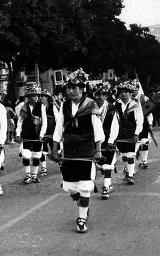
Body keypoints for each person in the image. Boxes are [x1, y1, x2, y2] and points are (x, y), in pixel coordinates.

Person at [51, 69, 104, 233]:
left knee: (86, 185)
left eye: (75, 88)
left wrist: (98, 150)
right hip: (68, 149)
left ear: (82, 89)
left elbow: (98, 130)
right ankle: (81, 202)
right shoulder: (65, 105)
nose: (71, 91)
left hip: (86, 148)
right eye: (69, 88)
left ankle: (81, 219)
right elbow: (59, 128)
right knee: (70, 186)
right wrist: (54, 149)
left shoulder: (91, 104)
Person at [16, 83, 47, 184]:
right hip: (26, 134)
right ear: (29, 97)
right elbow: (20, 121)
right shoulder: (24, 107)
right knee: (26, 155)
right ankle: (27, 175)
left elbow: (44, 122)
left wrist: (42, 134)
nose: (36, 98)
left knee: (37, 155)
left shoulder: (41, 106)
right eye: (34, 96)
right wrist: (17, 133)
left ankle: (34, 175)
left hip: (37, 135)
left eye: (37, 96)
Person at [92, 83, 119, 199]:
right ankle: (108, 183)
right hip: (95, 141)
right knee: (100, 166)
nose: (98, 97)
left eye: (101, 95)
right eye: (96, 94)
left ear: (106, 96)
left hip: (108, 140)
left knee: (107, 165)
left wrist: (111, 141)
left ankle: (106, 187)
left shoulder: (112, 109)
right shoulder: (91, 109)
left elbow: (115, 125)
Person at [115, 80, 143, 185]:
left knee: (131, 154)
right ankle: (127, 171)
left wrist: (136, 133)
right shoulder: (116, 104)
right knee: (124, 155)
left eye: (125, 92)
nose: (123, 94)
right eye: (121, 92)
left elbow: (139, 120)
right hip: (120, 133)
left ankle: (130, 175)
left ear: (130, 93)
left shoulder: (135, 104)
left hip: (131, 132)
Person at [39, 89, 59, 177]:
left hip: (52, 131)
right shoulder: (38, 107)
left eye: (43, 96)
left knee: (55, 149)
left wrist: (58, 131)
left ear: (47, 98)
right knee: (41, 151)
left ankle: (61, 165)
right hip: (42, 132)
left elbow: (57, 119)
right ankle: (43, 168)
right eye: (40, 96)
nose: (41, 98)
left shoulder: (52, 106)